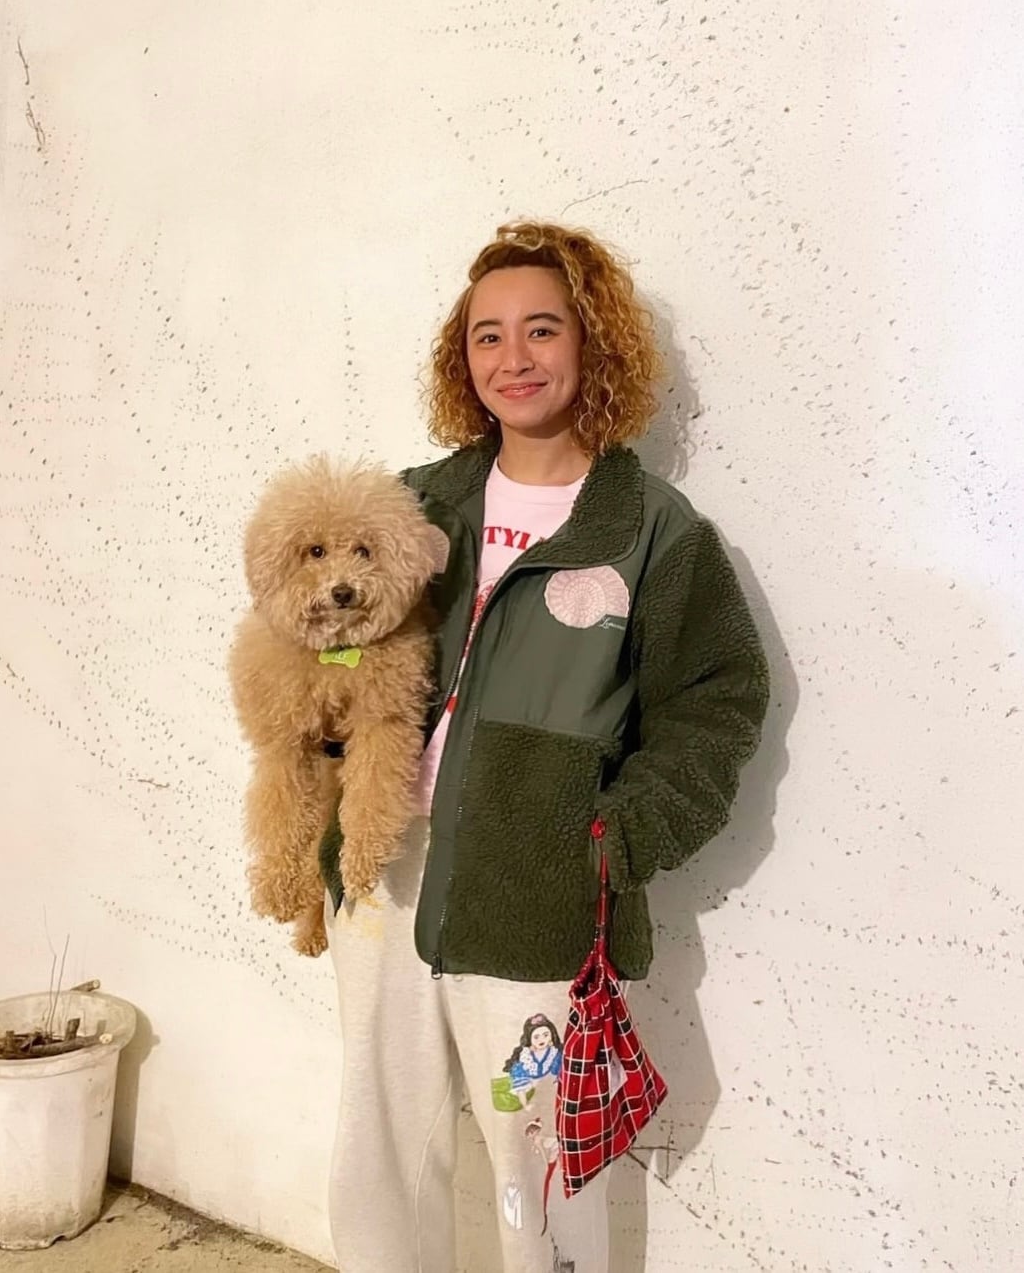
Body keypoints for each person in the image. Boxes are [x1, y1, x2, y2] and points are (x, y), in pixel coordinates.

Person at [320, 220, 770, 1273]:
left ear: (591, 342)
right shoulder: (411, 505)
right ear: (462, 358)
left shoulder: (650, 529)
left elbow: (718, 699)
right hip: (384, 872)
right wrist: (325, 750)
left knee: (544, 1172)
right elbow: (327, 641)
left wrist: (618, 832)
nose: (512, 358)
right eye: (487, 335)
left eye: (541, 329)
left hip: (538, 890)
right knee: (381, 1154)